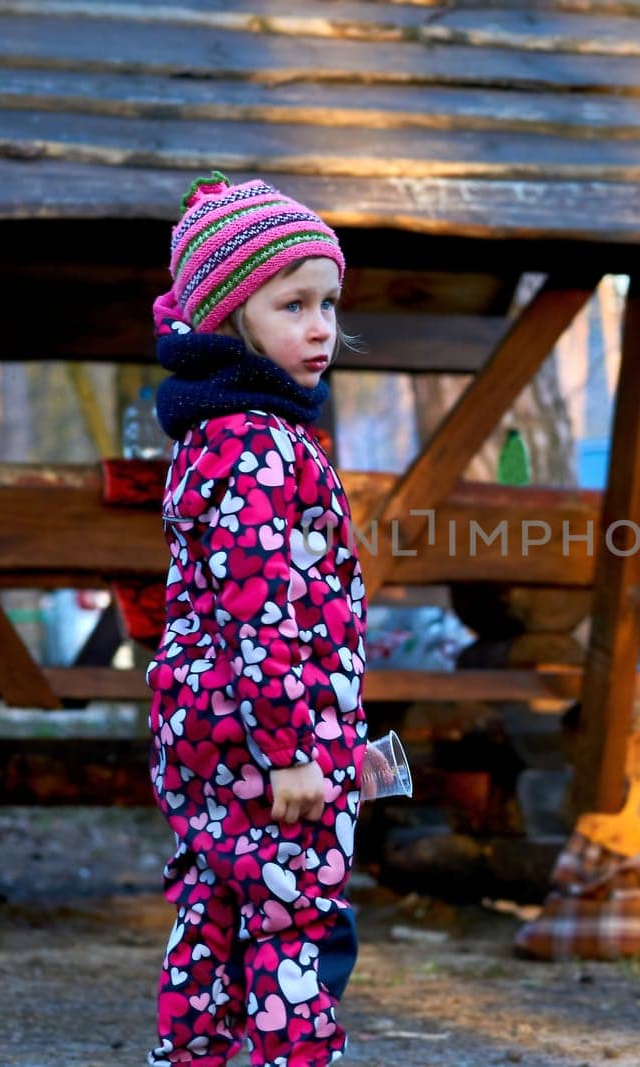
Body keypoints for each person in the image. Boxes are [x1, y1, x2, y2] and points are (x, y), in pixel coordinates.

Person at [145, 172, 366, 1067]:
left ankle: (189, 1055)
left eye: (329, 303)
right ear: (231, 318)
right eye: (293, 304)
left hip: (203, 725)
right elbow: (263, 608)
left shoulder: (214, 432)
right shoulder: (260, 443)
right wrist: (292, 750)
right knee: (297, 923)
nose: (321, 327)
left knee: (215, 906)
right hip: (267, 737)